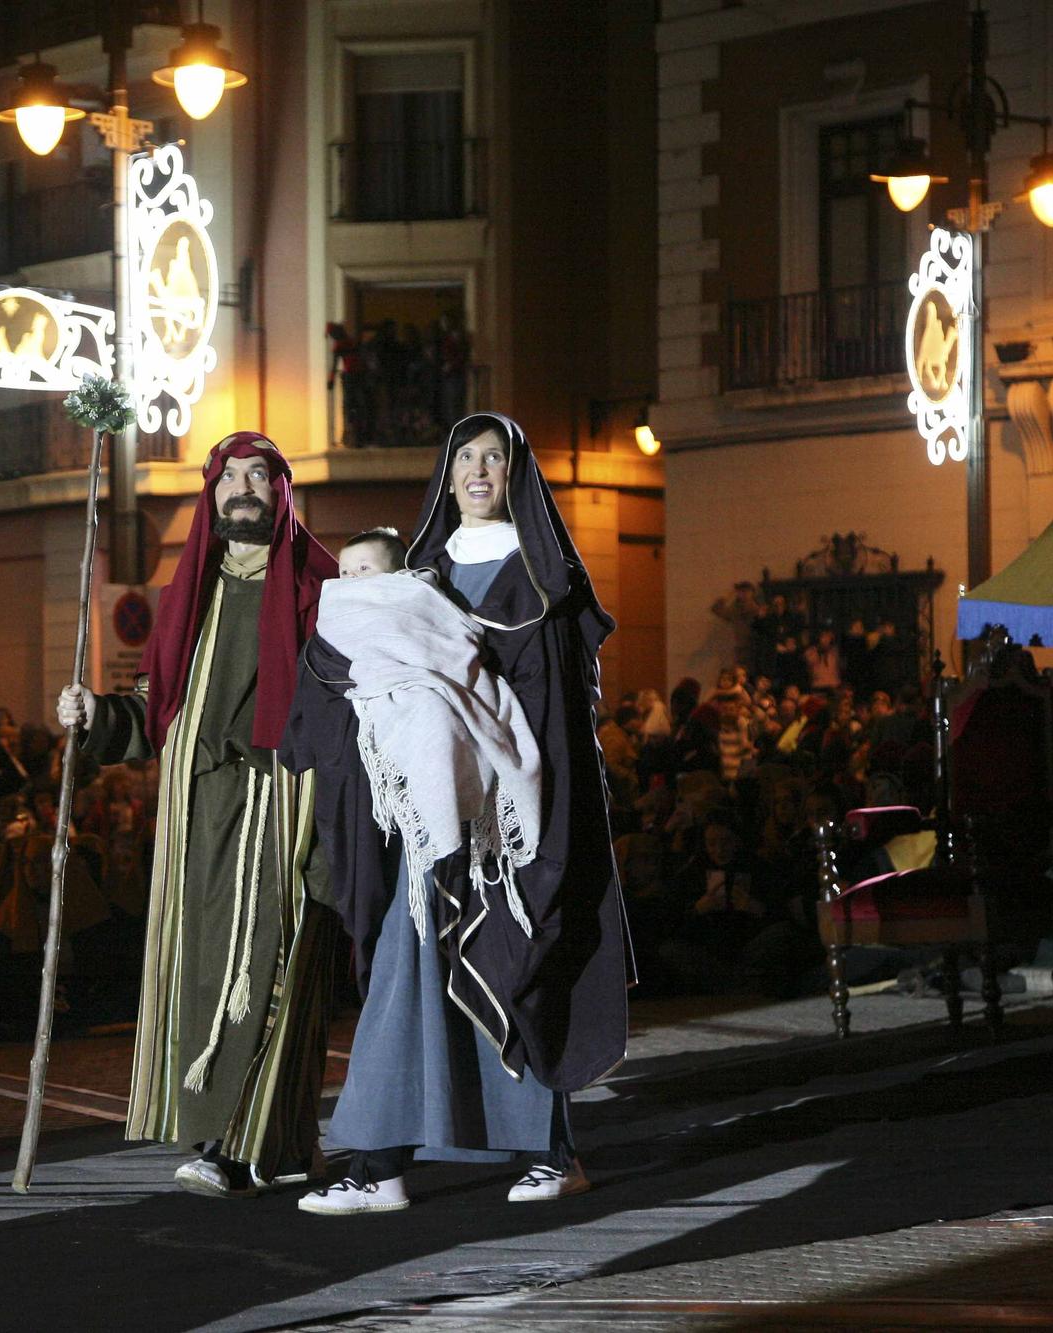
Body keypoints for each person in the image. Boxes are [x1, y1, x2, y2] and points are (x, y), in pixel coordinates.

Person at [282, 412, 631, 1215]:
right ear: (446, 472)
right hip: (433, 822)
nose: (479, 470)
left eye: (495, 458)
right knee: (409, 976)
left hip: (513, 814)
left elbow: (560, 711)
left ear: (517, 473)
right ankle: (380, 1163)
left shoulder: (543, 573)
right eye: (465, 457)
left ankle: (555, 1152)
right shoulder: (422, 570)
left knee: (516, 964)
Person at [56, 432, 338, 1198]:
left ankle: (239, 1143)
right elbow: (155, 710)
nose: (243, 487)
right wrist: (96, 713)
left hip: (279, 812)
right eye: (229, 476)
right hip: (194, 820)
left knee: (268, 972)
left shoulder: (323, 589)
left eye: (259, 475)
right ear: (210, 495)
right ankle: (261, 1140)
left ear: (282, 493)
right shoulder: (193, 593)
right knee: (204, 972)